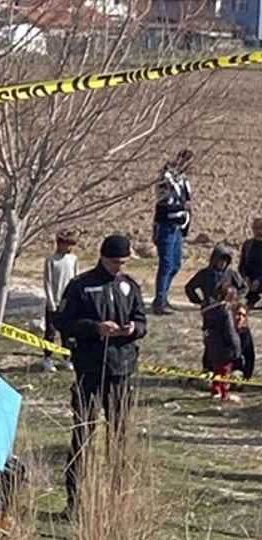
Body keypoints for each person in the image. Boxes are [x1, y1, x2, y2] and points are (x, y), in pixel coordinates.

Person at [53, 234, 146, 515]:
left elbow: (142, 321)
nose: (119, 267)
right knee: (83, 435)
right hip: (90, 370)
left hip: (122, 370)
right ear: (103, 258)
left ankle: (118, 502)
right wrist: (95, 327)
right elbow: (63, 323)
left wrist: (132, 329)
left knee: (119, 436)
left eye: (124, 262)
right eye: (115, 262)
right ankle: (75, 503)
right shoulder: (81, 286)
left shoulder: (129, 286)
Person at [151, 153, 192, 315]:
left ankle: (164, 297)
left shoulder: (182, 179)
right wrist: (181, 208)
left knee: (175, 264)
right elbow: (161, 205)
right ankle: (159, 302)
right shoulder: (166, 178)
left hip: (177, 226)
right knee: (166, 264)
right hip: (166, 225)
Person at [42, 230, 80, 372]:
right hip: (54, 301)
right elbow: (48, 282)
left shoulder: (73, 259)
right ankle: (48, 358)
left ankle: (67, 358)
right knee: (50, 332)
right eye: (68, 244)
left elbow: (76, 279)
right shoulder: (51, 260)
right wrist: (51, 301)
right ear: (60, 243)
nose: (70, 248)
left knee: (67, 332)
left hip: (68, 302)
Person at [202, 284, 242, 403]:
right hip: (225, 348)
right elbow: (229, 331)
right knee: (224, 371)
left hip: (214, 346)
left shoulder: (210, 312)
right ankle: (223, 393)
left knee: (217, 370)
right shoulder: (225, 313)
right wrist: (236, 347)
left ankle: (216, 390)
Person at [184, 242, 247, 308]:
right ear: (215, 259)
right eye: (220, 260)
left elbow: (244, 287)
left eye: (225, 260)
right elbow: (189, 287)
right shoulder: (205, 274)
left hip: (227, 306)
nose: (223, 263)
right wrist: (198, 301)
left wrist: (235, 298)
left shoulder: (231, 273)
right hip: (209, 306)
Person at [238, 218, 262, 308]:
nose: (259, 230)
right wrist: (245, 278)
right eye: (257, 228)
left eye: (261, 228)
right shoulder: (248, 245)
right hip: (249, 279)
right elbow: (242, 265)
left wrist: (259, 281)